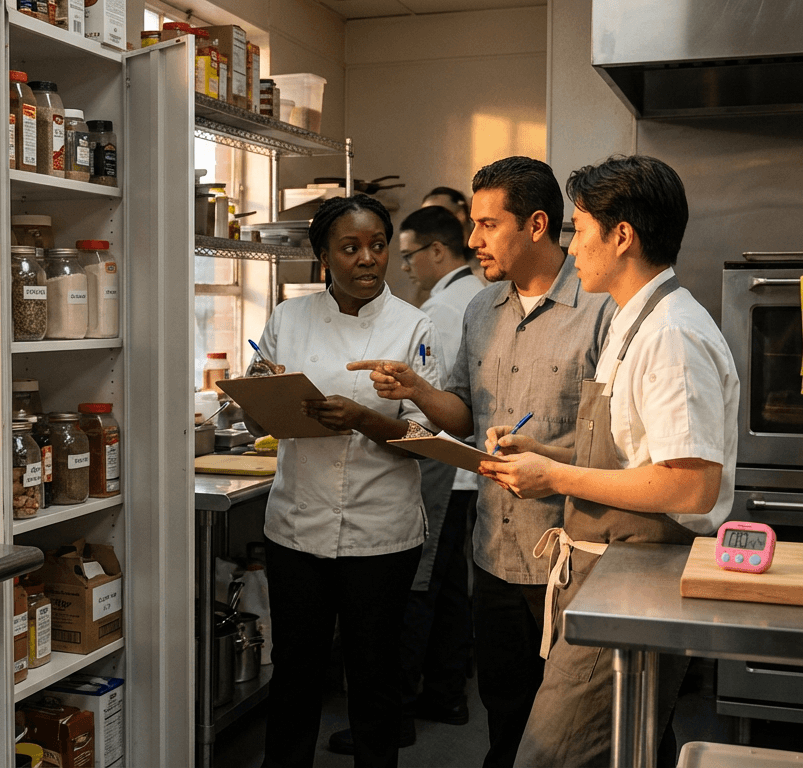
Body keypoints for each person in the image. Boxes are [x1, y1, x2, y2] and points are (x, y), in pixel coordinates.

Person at [349, 157, 615, 767]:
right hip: (494, 550)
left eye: (488, 225)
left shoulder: (601, 310)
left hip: (571, 557)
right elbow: (467, 415)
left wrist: (546, 456)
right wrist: (417, 390)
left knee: (573, 733)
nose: (472, 241)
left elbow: (619, 443)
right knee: (504, 710)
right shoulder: (480, 311)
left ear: (539, 225)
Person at [478, 155, 739, 767]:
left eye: (579, 229)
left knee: (548, 756)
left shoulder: (672, 334)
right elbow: (627, 453)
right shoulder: (633, 317)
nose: (570, 249)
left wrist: (555, 477)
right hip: (606, 576)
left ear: (622, 236)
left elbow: (691, 488)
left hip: (638, 577)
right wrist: (543, 451)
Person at [247, 194, 441, 768]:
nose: (367, 259)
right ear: (324, 257)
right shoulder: (289, 317)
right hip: (297, 528)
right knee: (296, 677)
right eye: (350, 247)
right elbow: (264, 414)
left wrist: (363, 419)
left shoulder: (414, 326)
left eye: (377, 246)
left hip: (381, 534)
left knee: (374, 679)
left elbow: (423, 438)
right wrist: (265, 393)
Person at [326, 205, 483, 756]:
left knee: (419, 590)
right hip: (466, 470)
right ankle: (445, 694)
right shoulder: (479, 295)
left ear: (436, 252)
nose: (404, 265)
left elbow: (430, 405)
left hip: (440, 462)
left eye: (403, 251)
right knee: (446, 591)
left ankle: (404, 712)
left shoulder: (435, 310)